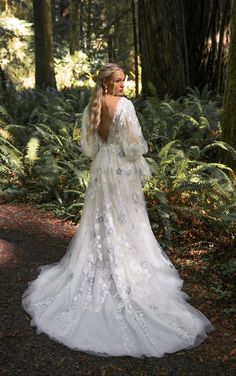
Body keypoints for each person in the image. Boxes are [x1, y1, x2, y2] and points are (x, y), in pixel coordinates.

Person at [22, 63, 214, 357]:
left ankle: (105, 260)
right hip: (122, 170)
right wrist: (131, 154)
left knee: (103, 220)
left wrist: (108, 151)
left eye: (124, 81)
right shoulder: (124, 106)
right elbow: (135, 147)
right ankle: (124, 265)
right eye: (119, 80)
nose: (124, 85)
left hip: (102, 168)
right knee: (128, 221)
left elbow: (89, 146)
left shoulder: (92, 107)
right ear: (108, 82)